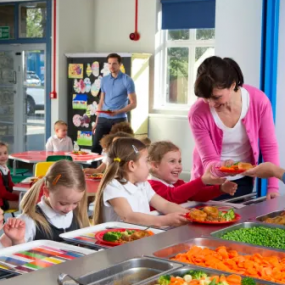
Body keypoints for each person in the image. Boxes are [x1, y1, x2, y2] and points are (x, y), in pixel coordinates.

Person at [188, 56, 279, 200]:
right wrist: (224, 168)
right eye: (206, 98)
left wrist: (273, 186)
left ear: (232, 85)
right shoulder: (197, 113)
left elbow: (269, 146)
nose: (211, 104)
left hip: (243, 180)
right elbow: (209, 161)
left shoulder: (258, 101)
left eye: (216, 97)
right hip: (209, 183)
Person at [93, 138, 189, 227]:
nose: (150, 166)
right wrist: (165, 220)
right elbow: (128, 216)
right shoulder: (113, 186)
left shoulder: (143, 185)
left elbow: (165, 205)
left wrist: (190, 214)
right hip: (119, 243)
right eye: (147, 161)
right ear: (132, 165)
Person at [0, 160, 89, 246]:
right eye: (63, 203)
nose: (69, 209)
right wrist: (18, 241)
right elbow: (3, 249)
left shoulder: (77, 213)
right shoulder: (29, 220)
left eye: (75, 203)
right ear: (46, 192)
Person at [148, 141, 237, 209]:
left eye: (179, 161)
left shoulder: (178, 183)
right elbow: (173, 196)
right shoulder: (151, 186)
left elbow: (197, 195)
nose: (178, 166)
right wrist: (202, 180)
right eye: (172, 161)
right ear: (155, 165)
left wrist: (220, 188)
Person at [91, 53, 137, 154]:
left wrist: (118, 111)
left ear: (120, 64)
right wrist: (97, 120)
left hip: (119, 120)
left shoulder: (127, 80)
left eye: (114, 63)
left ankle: (117, 170)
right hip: (103, 119)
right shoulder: (104, 79)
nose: (111, 66)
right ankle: (94, 170)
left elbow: (133, 104)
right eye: (109, 63)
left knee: (120, 150)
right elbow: (101, 101)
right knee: (95, 148)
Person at [0, 142, 19, 211]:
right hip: (1, 202)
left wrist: (17, 190)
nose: (3, 156)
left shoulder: (4, 168)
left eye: (5, 153)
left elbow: (10, 184)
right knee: (23, 204)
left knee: (23, 194)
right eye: (0, 154)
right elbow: (3, 193)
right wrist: (16, 197)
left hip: (5, 196)